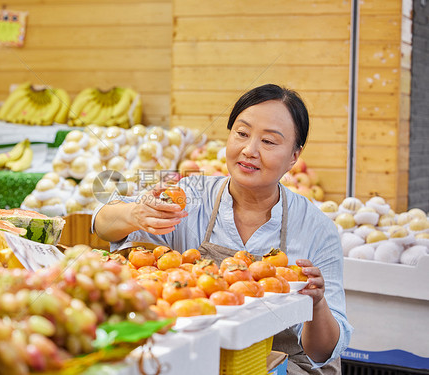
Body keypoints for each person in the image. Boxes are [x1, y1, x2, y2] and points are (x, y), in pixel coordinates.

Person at [92, 83, 352, 374]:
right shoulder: (191, 196)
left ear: (294, 155)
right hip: (198, 359)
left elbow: (323, 352)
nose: (249, 150)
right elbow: (103, 225)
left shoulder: (316, 228)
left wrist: (316, 305)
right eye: (241, 134)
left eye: (268, 142)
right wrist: (136, 214)